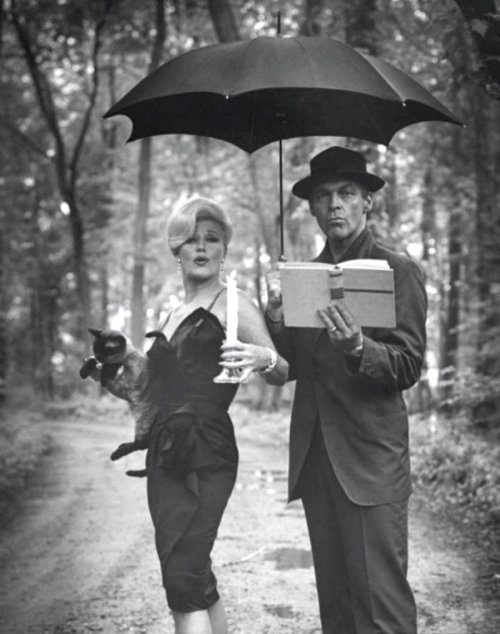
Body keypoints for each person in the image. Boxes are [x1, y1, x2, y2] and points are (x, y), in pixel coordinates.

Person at [265, 146, 427, 634]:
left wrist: (359, 347)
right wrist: (276, 314)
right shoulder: (303, 278)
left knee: (382, 609)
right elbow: (293, 364)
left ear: (367, 202)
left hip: (371, 463)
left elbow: (408, 364)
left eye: (346, 193)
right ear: (312, 208)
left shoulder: (397, 270)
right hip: (319, 461)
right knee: (336, 607)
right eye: (324, 196)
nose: (335, 205)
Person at [144, 196, 288, 634]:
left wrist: (261, 355)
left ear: (224, 249)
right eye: (192, 239)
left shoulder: (234, 304)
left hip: (208, 450)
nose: (202, 248)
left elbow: (281, 369)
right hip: (164, 454)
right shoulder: (171, 314)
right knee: (188, 575)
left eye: (212, 239)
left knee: (183, 575)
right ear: (177, 248)